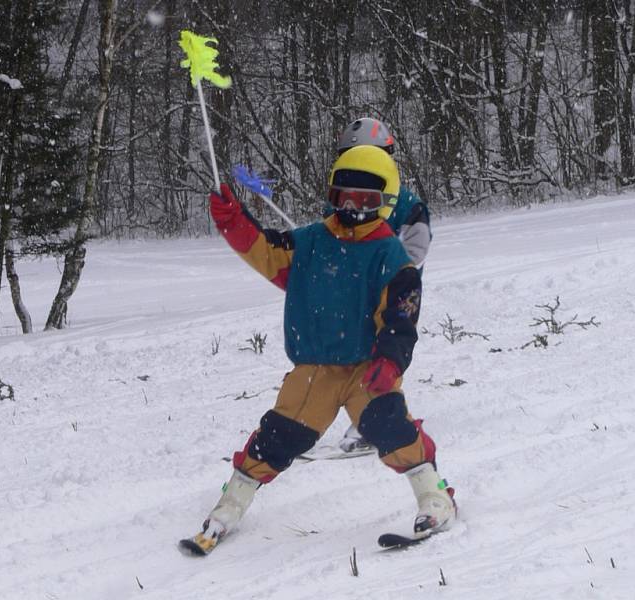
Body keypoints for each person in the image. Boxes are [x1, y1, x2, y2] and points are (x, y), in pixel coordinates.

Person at [192, 145, 455, 553]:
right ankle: (230, 504)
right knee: (277, 436)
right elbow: (264, 249)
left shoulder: (391, 256)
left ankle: (434, 497)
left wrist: (389, 363)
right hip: (314, 369)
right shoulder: (312, 241)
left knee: (389, 427)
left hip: (365, 369)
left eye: (365, 200)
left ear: (384, 203)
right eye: (342, 196)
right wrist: (232, 219)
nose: (352, 207)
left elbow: (401, 321)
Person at [334, 117, 433, 454]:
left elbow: (416, 249)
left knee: (387, 351)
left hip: (396, 296)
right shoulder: (343, 200)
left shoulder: (407, 206)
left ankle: (376, 421)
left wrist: (381, 269)